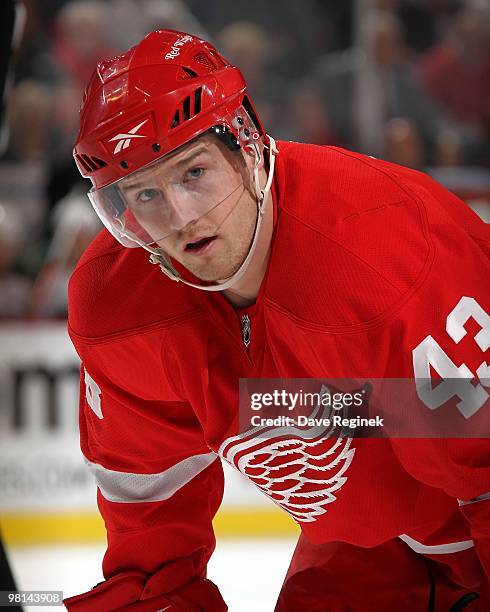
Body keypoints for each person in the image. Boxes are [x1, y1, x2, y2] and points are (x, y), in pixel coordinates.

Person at [65, 30, 489, 611]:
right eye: (144, 196)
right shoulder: (123, 310)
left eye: (193, 174)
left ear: (246, 144)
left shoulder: (386, 262)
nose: (181, 219)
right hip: (366, 549)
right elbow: (151, 542)